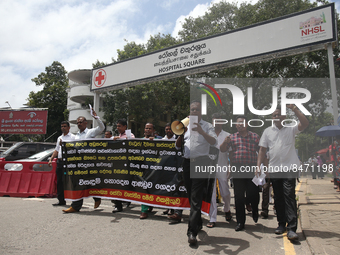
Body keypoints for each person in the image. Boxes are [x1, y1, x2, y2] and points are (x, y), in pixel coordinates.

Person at [257, 104, 309, 241]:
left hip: (289, 168)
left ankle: (292, 228)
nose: (276, 117)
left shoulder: (291, 129)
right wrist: (258, 166)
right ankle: (281, 224)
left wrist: (295, 109)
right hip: (274, 169)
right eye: (274, 115)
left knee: (289, 196)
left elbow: (305, 123)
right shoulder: (267, 131)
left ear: (284, 117)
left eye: (279, 114)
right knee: (278, 197)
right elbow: (262, 150)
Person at [174, 101, 217, 245]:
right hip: (187, 163)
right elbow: (178, 145)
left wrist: (201, 132)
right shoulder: (185, 126)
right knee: (191, 195)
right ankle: (197, 223)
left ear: (201, 112)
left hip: (201, 162)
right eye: (192, 109)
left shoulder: (207, 126)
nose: (194, 112)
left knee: (196, 197)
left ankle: (191, 232)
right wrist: (181, 133)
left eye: (197, 110)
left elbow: (213, 142)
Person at [220, 115, 260, 232]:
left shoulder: (255, 136)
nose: (240, 125)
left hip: (252, 168)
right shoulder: (231, 137)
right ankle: (240, 222)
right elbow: (222, 150)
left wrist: (260, 167)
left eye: (242, 123)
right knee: (239, 197)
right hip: (237, 169)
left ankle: (255, 209)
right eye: (237, 123)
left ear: (247, 124)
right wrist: (224, 142)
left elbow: (261, 152)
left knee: (253, 193)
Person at [62, 110, 105, 213]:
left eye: (81, 122)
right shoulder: (76, 136)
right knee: (78, 184)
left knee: (90, 182)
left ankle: (97, 197)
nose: (79, 124)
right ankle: (75, 206)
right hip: (78, 164)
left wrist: (96, 118)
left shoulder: (90, 132)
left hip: (89, 163)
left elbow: (102, 128)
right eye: (77, 123)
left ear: (86, 123)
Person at [206, 113, 231, 228]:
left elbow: (230, 153)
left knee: (225, 191)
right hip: (209, 168)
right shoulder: (206, 135)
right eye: (215, 121)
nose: (217, 123)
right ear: (212, 122)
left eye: (220, 121)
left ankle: (227, 209)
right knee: (211, 193)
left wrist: (230, 167)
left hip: (222, 167)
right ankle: (212, 218)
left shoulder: (227, 135)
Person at [48, 121, 75, 206]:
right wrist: (51, 159)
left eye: (65, 126)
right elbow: (57, 150)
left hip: (69, 161)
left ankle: (75, 201)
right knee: (60, 181)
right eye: (62, 126)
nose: (63, 128)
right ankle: (61, 200)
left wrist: (64, 145)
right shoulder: (59, 138)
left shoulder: (73, 137)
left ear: (69, 128)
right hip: (60, 161)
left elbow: (75, 148)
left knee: (69, 181)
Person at [111, 119, 135, 213]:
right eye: (117, 126)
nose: (118, 128)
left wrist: (119, 139)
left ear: (125, 127)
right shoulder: (118, 136)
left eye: (119, 126)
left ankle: (126, 199)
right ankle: (118, 204)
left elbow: (132, 142)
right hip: (118, 164)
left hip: (127, 164)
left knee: (126, 184)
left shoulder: (130, 135)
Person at [139, 123, 157, 219]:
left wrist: (154, 142)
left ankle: (150, 204)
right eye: (146, 128)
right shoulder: (139, 141)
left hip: (155, 169)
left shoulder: (158, 141)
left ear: (153, 131)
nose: (148, 130)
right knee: (144, 188)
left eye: (150, 128)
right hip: (143, 169)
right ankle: (144, 210)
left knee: (153, 188)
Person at [162, 123, 176, 216]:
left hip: (174, 167)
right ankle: (168, 207)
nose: (168, 131)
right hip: (165, 167)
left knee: (173, 189)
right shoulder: (162, 140)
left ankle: (173, 209)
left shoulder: (176, 139)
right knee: (166, 189)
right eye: (166, 129)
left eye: (170, 129)